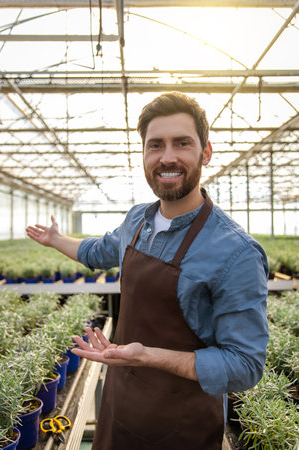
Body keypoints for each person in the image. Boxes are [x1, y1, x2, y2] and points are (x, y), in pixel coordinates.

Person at [26, 92, 269, 450]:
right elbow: (98, 251)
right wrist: (57, 239)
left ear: (206, 153)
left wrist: (147, 356)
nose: (167, 157)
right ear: (143, 155)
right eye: (155, 145)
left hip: (182, 428)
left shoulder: (236, 251)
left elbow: (245, 365)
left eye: (182, 143)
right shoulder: (136, 220)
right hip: (119, 405)